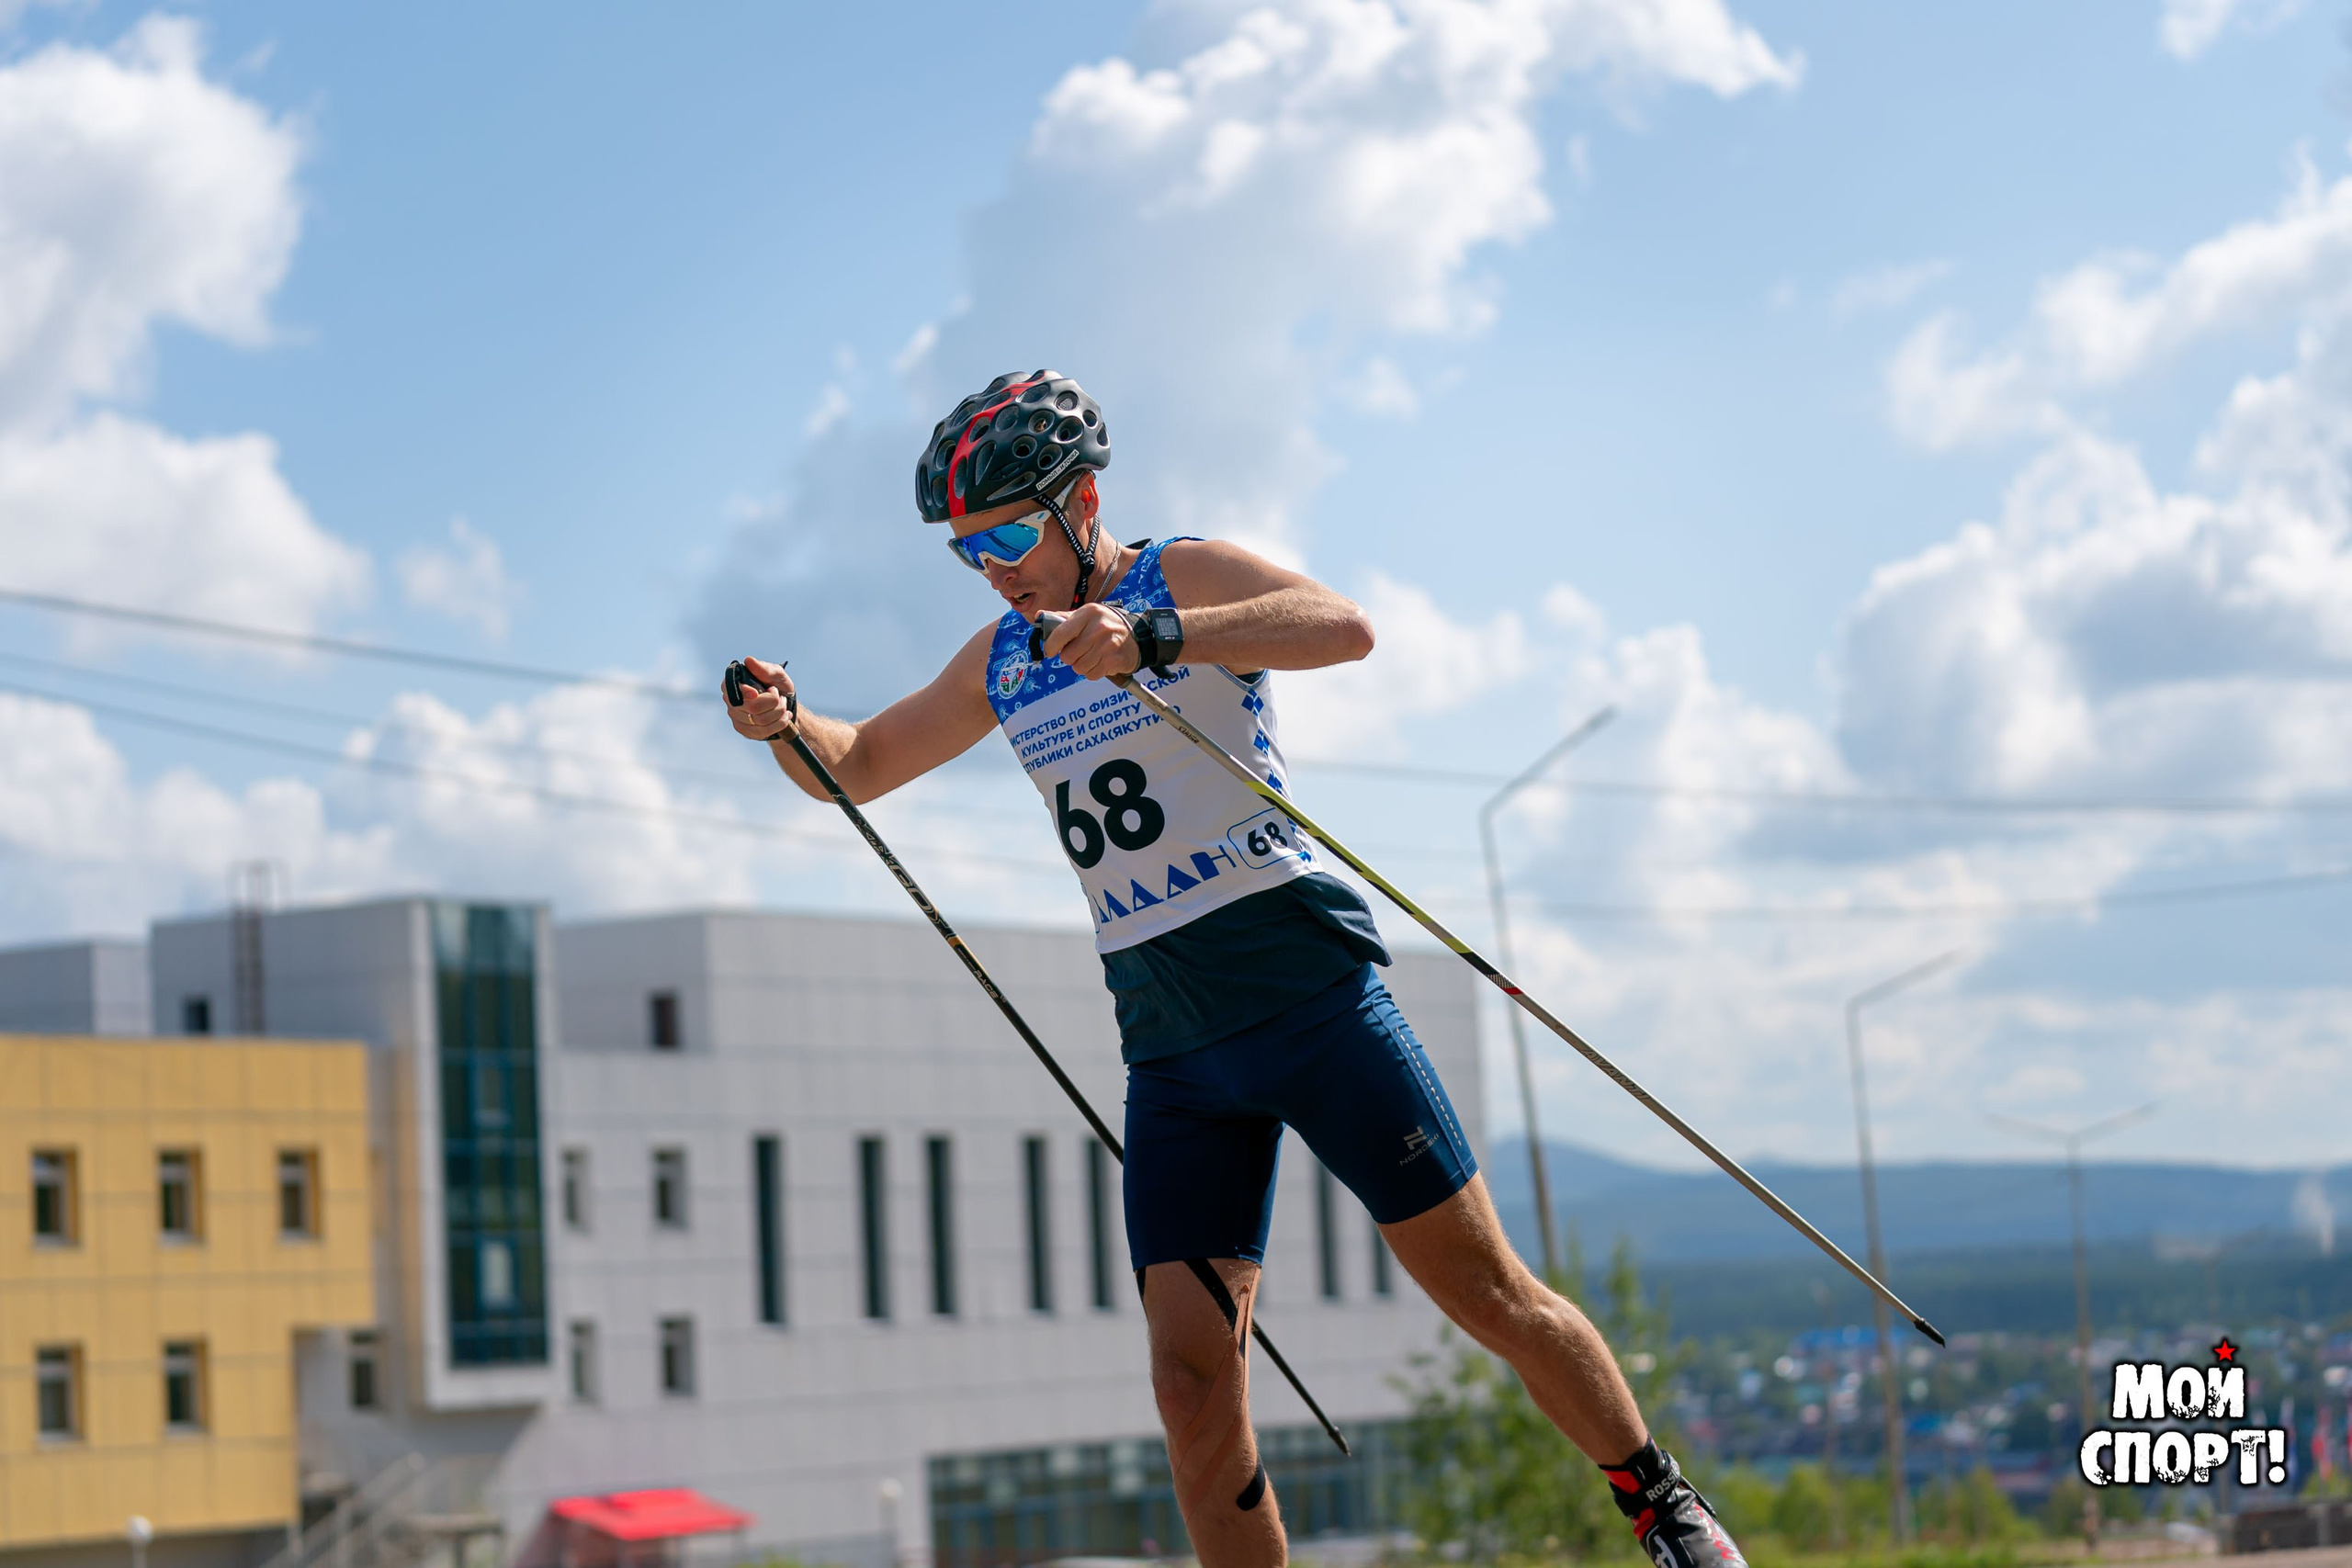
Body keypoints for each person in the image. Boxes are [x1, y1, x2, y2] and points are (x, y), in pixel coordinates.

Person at [724, 370, 1747, 1568]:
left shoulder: (1178, 575)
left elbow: (1343, 626)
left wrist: (1158, 637)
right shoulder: (1002, 657)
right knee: (1189, 1384)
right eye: (968, 551)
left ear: (1080, 503)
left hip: (1309, 999)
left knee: (1486, 1296)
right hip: (1172, 1050)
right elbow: (860, 762)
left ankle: (1662, 1506)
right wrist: (789, 725)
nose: (993, 569)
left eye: (1006, 537)